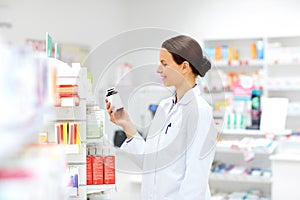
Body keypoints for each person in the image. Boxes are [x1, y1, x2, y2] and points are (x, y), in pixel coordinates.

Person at [106, 35, 218, 200]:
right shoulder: (164, 107)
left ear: (184, 67)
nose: (158, 69)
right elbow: (149, 163)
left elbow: (196, 178)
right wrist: (126, 124)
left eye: (164, 64)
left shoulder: (199, 111)